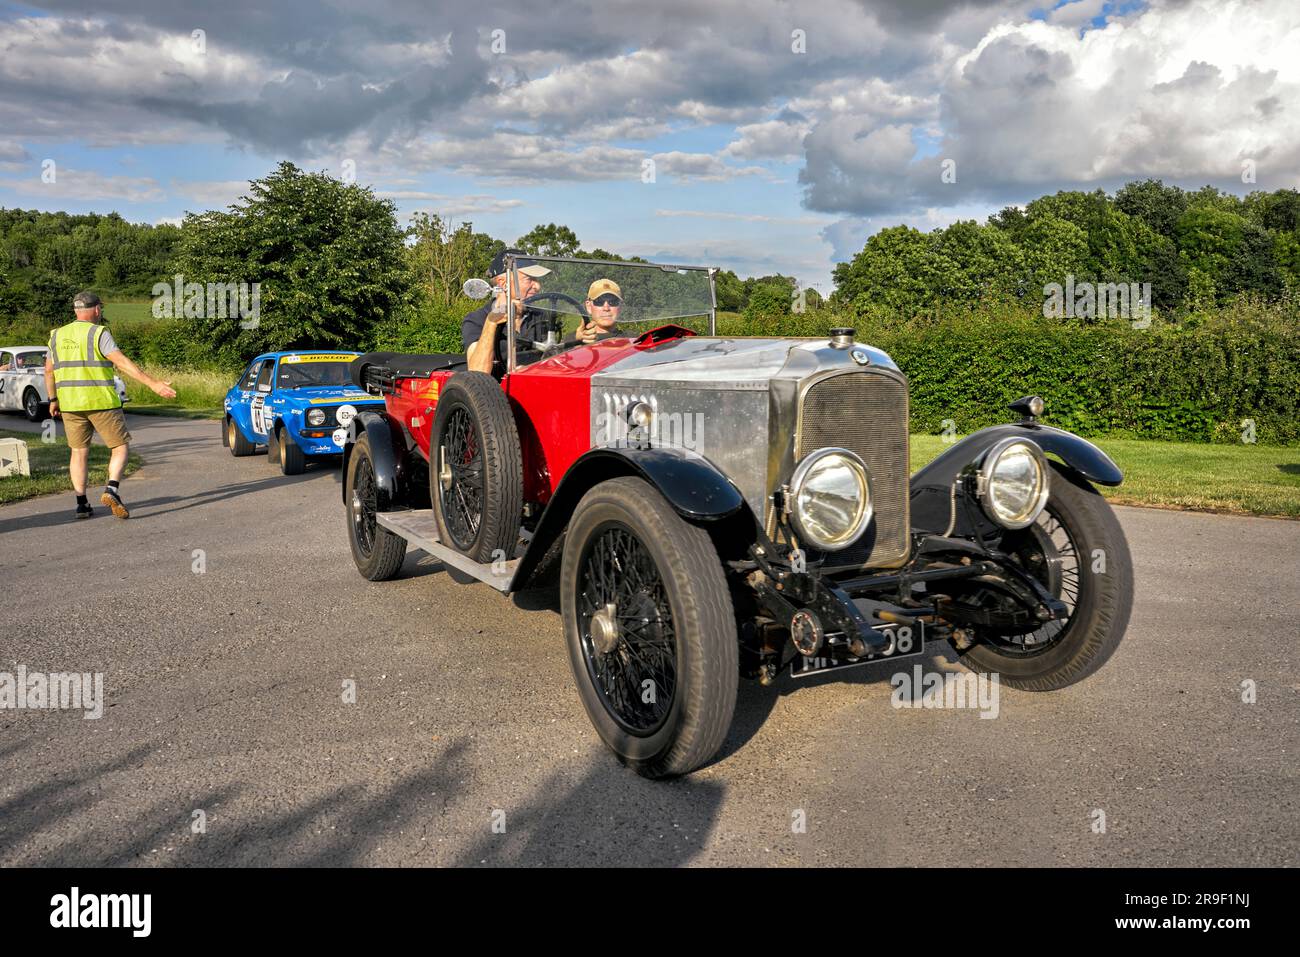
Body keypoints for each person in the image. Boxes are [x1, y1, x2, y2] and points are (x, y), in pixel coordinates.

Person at [44, 292, 177, 519]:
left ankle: (81, 504)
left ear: (76, 310)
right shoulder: (99, 332)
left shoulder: (56, 335)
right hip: (101, 401)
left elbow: (49, 370)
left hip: (70, 404)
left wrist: (53, 399)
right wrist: (154, 384)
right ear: (96, 309)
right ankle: (112, 489)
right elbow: (122, 363)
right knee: (120, 446)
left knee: (78, 452)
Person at [462, 249, 553, 376]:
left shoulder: (540, 316)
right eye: (529, 279)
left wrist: (575, 338)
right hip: (496, 393)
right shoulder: (477, 319)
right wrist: (491, 322)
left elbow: (555, 355)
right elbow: (477, 373)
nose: (537, 286)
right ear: (503, 283)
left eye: (536, 280)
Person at [571, 278, 625, 344]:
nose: (606, 308)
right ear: (588, 306)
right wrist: (577, 343)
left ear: (620, 307)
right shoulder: (573, 339)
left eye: (613, 302)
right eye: (599, 302)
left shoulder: (633, 340)